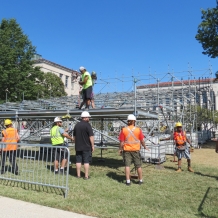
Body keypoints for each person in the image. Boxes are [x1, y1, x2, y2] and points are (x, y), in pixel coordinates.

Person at [119, 114, 148, 186]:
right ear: (134, 121)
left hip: (127, 150)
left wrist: (120, 149)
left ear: (128, 121)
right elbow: (142, 140)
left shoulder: (124, 130)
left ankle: (128, 181)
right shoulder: (138, 130)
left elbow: (122, 142)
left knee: (127, 166)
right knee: (138, 166)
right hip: (136, 150)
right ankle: (140, 180)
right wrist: (145, 146)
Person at [73, 111, 94, 179]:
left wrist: (76, 144)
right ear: (85, 117)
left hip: (78, 146)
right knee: (86, 161)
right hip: (86, 146)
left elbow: (74, 137)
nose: (89, 118)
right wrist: (92, 145)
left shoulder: (76, 125)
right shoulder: (88, 125)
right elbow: (91, 136)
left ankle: (78, 175)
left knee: (78, 161)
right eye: (88, 117)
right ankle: (86, 176)